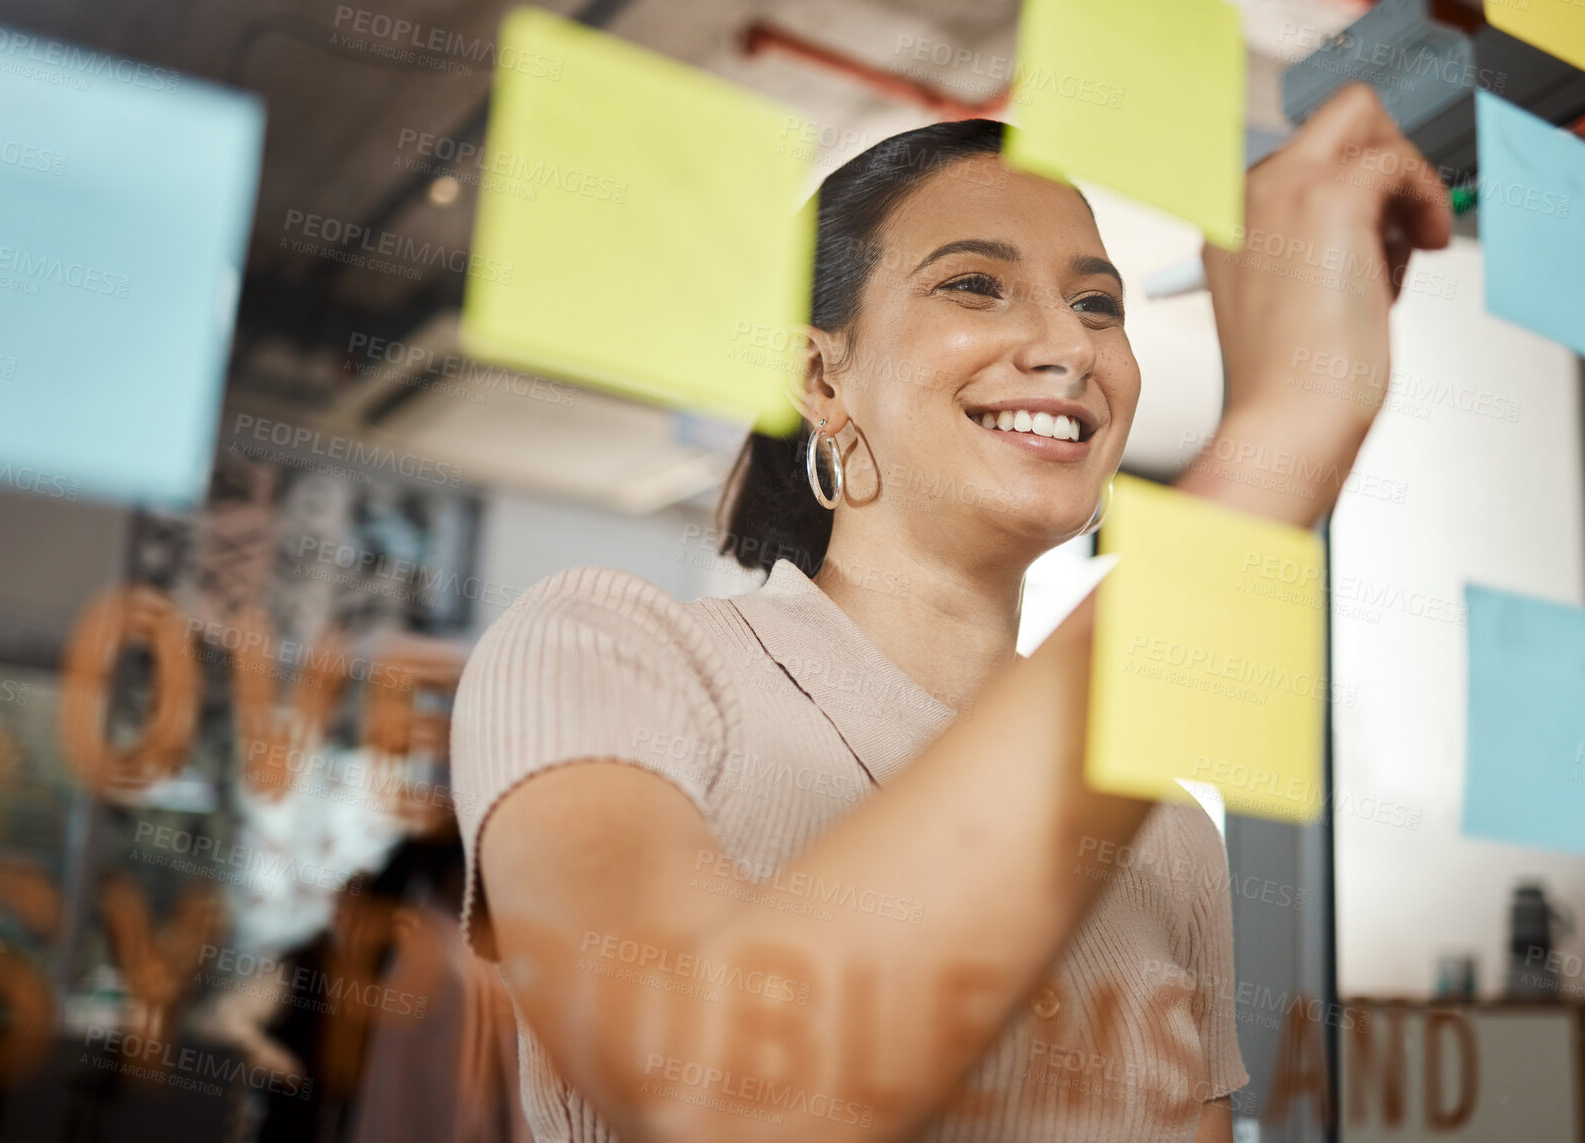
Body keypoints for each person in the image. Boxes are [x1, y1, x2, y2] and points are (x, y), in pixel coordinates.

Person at [451, 83, 1450, 1143]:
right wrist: (1280, 439)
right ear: (819, 375)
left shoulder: (1168, 833)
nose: (1068, 347)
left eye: (1099, 305)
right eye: (975, 285)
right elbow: (720, 1092)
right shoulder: (608, 655)